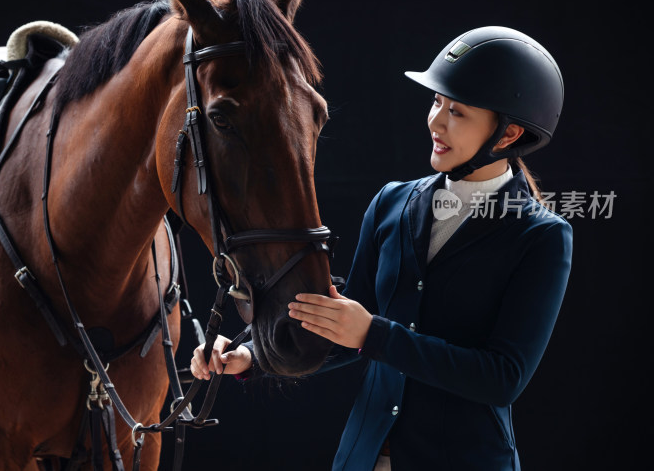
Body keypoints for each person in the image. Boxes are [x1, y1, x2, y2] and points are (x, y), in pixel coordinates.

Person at [190, 26, 573, 471]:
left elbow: (502, 378)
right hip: (363, 458)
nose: (436, 121)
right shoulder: (392, 202)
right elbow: (347, 320)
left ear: (507, 135)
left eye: (459, 112)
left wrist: (374, 335)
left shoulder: (541, 235)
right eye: (437, 103)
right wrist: (252, 355)